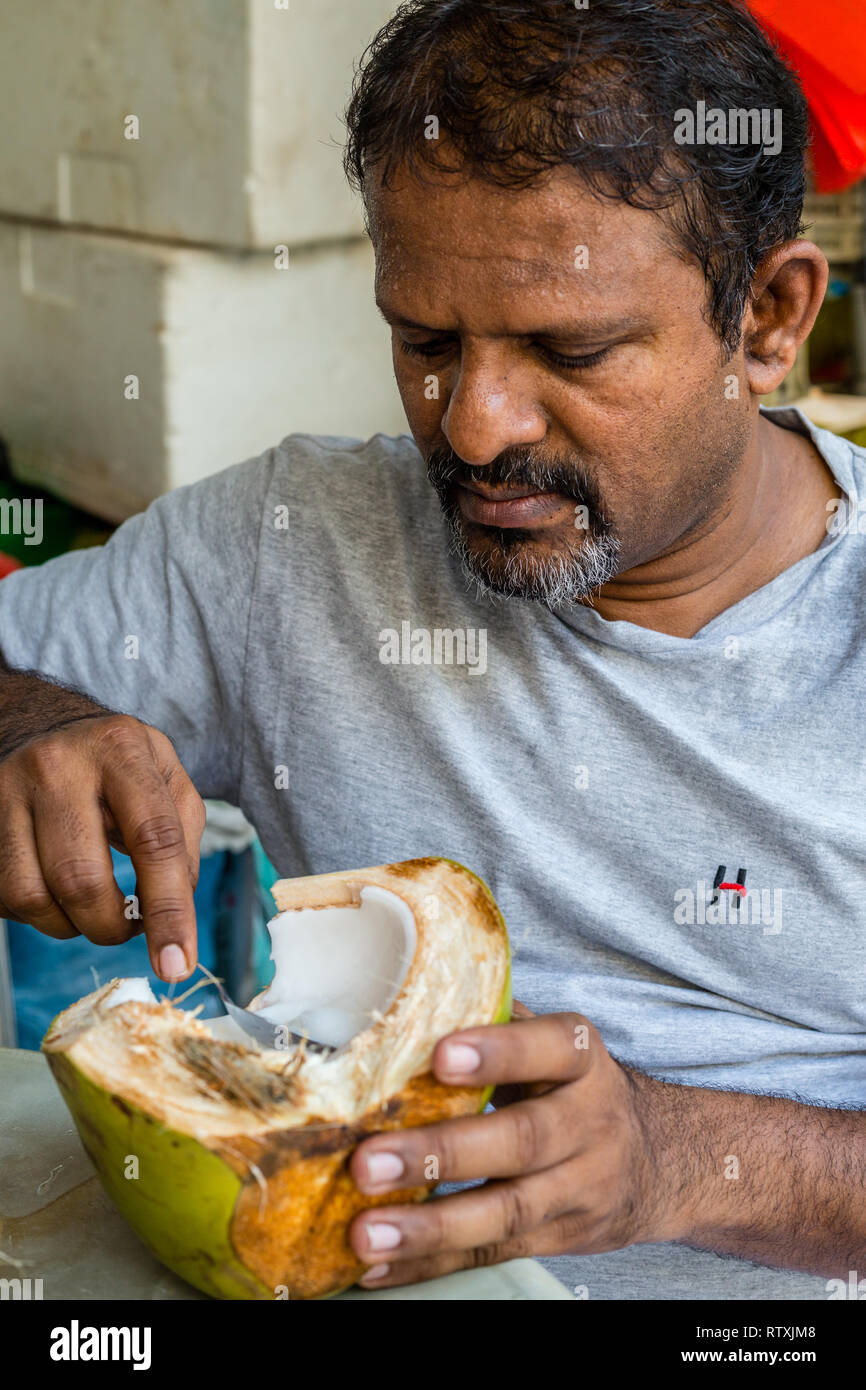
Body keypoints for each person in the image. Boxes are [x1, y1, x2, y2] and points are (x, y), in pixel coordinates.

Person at [1, 0, 863, 1300]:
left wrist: (680, 1158)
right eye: (424, 340)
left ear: (766, 318)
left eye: (569, 349)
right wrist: (27, 726)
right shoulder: (285, 545)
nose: (471, 428)